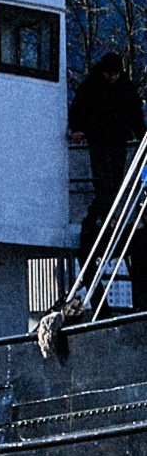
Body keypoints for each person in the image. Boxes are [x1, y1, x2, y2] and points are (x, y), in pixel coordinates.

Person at [70, 51, 147, 287]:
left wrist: (141, 134)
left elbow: (134, 114)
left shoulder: (118, 87)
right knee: (103, 179)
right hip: (101, 138)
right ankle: (107, 213)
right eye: (110, 74)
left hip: (116, 139)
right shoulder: (95, 87)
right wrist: (78, 128)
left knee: (114, 179)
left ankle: (108, 213)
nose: (112, 78)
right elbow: (79, 109)